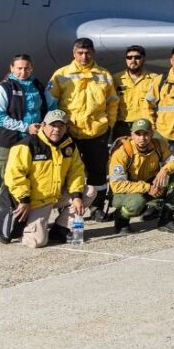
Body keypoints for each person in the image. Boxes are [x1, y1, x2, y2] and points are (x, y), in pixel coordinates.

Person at [47, 37, 119, 221]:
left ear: (93, 53)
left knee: (98, 172)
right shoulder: (61, 75)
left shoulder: (104, 75)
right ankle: (66, 206)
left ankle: (96, 207)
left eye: (87, 53)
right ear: (74, 54)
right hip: (69, 133)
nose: (84, 57)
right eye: (80, 53)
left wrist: (108, 125)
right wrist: (56, 129)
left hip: (97, 132)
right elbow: (50, 103)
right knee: (66, 171)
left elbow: (112, 103)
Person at [2, 109, 88, 247]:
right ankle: (21, 228)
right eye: (53, 125)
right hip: (34, 201)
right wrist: (24, 200)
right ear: (43, 125)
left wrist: (76, 196)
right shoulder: (26, 145)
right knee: (37, 242)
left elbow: (76, 172)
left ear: (66, 127)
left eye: (61, 126)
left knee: (89, 191)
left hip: (56, 195)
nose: (57, 130)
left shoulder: (69, 145)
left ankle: (60, 229)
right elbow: (14, 176)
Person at [107, 118, 174, 234]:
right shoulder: (122, 152)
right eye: (138, 134)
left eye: (146, 134)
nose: (142, 138)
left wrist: (165, 170)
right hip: (125, 191)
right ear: (132, 135)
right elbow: (117, 185)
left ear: (152, 134)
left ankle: (166, 218)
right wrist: (148, 188)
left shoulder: (159, 145)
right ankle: (121, 219)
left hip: (150, 185)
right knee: (136, 203)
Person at [0, 53, 56, 180]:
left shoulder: (39, 87)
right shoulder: (4, 88)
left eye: (27, 68)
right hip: (8, 140)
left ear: (32, 68)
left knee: (33, 179)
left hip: (33, 139)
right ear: (12, 68)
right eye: (19, 68)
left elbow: (52, 107)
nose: (23, 72)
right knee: (10, 181)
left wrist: (47, 124)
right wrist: (26, 128)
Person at [112, 45, 157, 139]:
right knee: (121, 149)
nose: (133, 60)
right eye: (129, 57)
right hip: (123, 126)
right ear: (126, 60)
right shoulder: (116, 79)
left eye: (137, 57)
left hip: (145, 125)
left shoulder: (154, 79)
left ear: (143, 59)